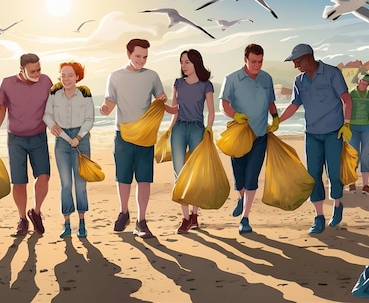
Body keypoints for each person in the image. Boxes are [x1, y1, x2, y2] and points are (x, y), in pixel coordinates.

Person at [279, 44, 352, 234]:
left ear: (308, 57)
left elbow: (347, 99)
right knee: (313, 175)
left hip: (334, 132)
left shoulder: (332, 73)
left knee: (334, 174)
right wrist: (277, 121)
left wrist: (347, 124)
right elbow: (294, 105)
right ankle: (319, 217)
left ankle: (337, 205)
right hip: (312, 134)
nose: (295, 65)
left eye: (297, 61)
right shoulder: (299, 81)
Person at [100, 38, 167, 238]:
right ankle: (124, 212)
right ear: (128, 54)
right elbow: (110, 103)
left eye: (145, 57)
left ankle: (142, 221)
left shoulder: (152, 76)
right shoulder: (115, 76)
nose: (141, 60)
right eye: (138, 56)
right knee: (123, 178)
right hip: (123, 134)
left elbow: (160, 98)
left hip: (145, 136)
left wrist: (165, 100)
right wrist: (104, 109)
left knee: (144, 179)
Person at [0, 53, 53, 237]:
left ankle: (36, 211)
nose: (37, 74)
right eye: (32, 71)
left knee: (44, 176)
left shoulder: (46, 81)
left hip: (39, 137)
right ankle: (22, 219)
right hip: (16, 139)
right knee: (19, 183)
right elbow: (0, 109)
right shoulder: (7, 83)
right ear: (21, 69)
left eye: (39, 69)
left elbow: (56, 105)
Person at [218, 44, 278, 234]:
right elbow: (223, 104)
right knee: (240, 176)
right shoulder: (232, 78)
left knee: (252, 177)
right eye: (253, 61)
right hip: (238, 135)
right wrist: (235, 115)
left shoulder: (266, 78)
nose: (257, 65)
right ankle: (240, 197)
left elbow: (270, 102)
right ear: (245, 59)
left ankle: (245, 217)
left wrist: (275, 117)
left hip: (260, 135)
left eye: (260, 61)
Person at [165, 49, 215, 234]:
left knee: (196, 174)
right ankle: (185, 218)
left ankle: (194, 215)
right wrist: (169, 127)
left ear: (196, 63)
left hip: (197, 129)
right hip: (179, 129)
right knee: (180, 173)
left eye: (187, 62)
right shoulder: (178, 83)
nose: (183, 66)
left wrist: (208, 130)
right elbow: (174, 109)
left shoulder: (206, 85)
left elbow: (211, 111)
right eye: (182, 62)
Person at [43, 61, 94, 238]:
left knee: (81, 184)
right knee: (65, 183)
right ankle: (66, 224)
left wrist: (78, 137)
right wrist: (52, 126)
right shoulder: (54, 94)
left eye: (70, 75)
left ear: (78, 77)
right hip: (62, 142)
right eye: (63, 75)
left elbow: (89, 119)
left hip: (82, 140)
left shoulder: (85, 95)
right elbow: (47, 115)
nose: (66, 79)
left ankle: (81, 223)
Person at [347, 73, 369, 195]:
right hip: (352, 127)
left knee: (366, 155)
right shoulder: (351, 94)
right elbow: (344, 108)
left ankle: (366, 185)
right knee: (353, 154)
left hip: (365, 127)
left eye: (366, 83)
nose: (363, 84)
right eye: (362, 82)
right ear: (358, 81)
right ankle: (352, 182)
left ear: (368, 84)